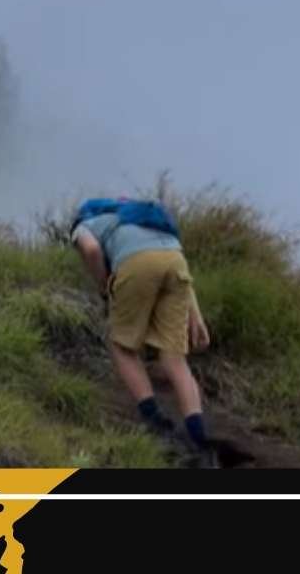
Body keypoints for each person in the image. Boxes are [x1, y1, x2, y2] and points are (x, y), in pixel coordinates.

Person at [71, 197, 218, 468]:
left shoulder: (85, 224)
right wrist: (196, 317)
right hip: (176, 262)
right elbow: (174, 265)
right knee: (174, 359)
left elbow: (91, 251)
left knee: (121, 346)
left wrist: (104, 286)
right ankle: (199, 437)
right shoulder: (145, 219)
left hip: (136, 265)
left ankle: (155, 421)